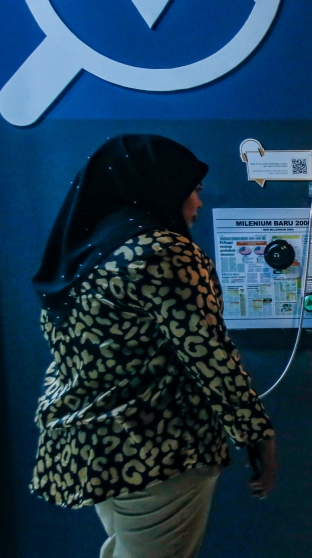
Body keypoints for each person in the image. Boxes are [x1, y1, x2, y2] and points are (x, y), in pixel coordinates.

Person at [30, 135, 278, 558]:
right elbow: (209, 355)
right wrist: (257, 434)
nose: (198, 204)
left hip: (93, 447)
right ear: (159, 184)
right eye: (192, 189)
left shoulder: (86, 256)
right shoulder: (163, 250)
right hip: (160, 449)